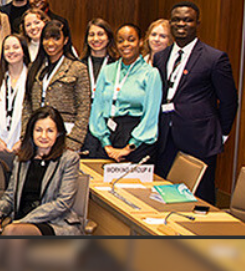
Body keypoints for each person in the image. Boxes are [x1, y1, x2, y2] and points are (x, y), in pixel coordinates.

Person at [152, 2, 238, 204]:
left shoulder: (214, 58)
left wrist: (222, 134)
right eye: (176, 20)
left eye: (187, 20)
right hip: (166, 137)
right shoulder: (161, 57)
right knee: (163, 194)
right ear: (170, 23)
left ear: (197, 23)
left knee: (199, 199)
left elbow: (229, 100)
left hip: (200, 139)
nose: (181, 24)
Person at [0, 106, 85, 236]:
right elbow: (10, 195)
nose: (43, 136)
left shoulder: (69, 159)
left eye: (50, 131)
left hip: (53, 223)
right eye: (38, 130)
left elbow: (63, 202)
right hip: (21, 222)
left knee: (11, 232)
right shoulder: (21, 159)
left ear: (59, 133)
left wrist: (24, 221)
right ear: (31, 132)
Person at [85, 24, 161, 163]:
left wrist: (129, 147)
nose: (125, 44)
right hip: (107, 137)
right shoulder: (107, 70)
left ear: (140, 42)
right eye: (121, 41)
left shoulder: (150, 74)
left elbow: (151, 116)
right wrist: (106, 143)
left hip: (136, 138)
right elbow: (97, 109)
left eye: (131, 39)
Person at [23, 20, 90, 151]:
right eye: (46, 39)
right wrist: (25, 135)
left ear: (65, 40)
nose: (50, 43)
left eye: (56, 38)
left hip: (66, 134)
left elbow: (84, 107)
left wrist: (74, 141)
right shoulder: (34, 67)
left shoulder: (77, 68)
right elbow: (27, 105)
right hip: (37, 136)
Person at [0, 34, 30, 163]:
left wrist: (22, 141)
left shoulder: (33, 78)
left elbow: (34, 113)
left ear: (24, 51)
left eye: (16, 47)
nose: (11, 51)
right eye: (7, 48)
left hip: (22, 145)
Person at [81, 18, 117, 97]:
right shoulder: (79, 65)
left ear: (108, 38)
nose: (96, 39)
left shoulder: (117, 65)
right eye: (91, 35)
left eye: (100, 34)